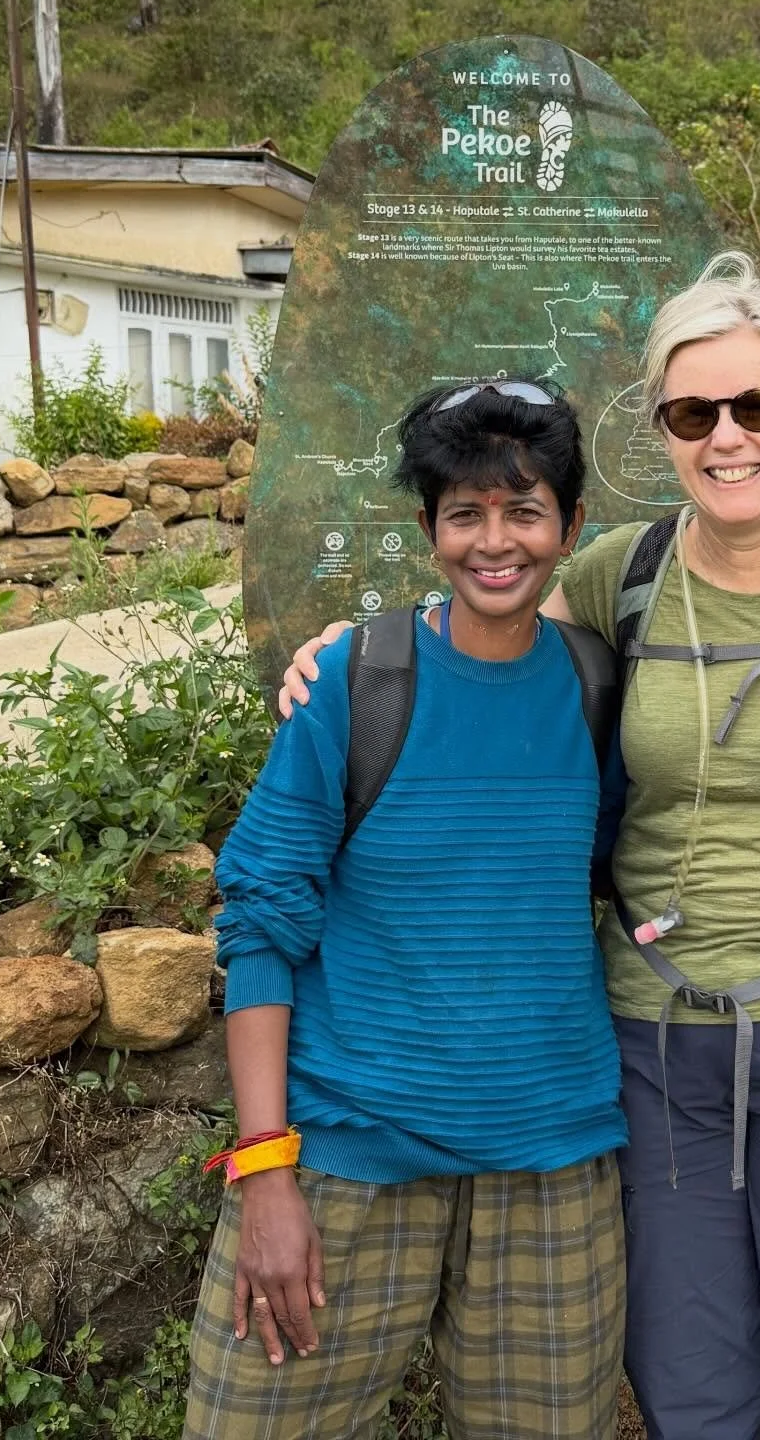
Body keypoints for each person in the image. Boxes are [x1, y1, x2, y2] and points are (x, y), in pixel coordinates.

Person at [284, 254, 760, 1440]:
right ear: (662, 429)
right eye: (695, 412)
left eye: (759, 406)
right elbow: (483, 612)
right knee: (691, 1375)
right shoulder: (618, 574)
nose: (728, 437)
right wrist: (343, 648)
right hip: (658, 1034)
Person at [183, 379, 627, 1440]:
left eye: (524, 511)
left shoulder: (595, 685)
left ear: (571, 527)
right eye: (464, 514)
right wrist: (265, 1170)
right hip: (344, 1162)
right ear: (429, 531)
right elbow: (260, 924)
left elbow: (596, 874)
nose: (495, 541)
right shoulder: (358, 680)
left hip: (552, 1172)